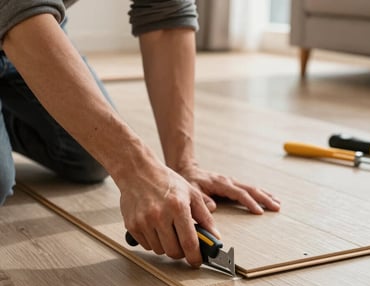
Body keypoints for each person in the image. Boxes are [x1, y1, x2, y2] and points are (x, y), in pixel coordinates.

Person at [0, 0, 280, 267]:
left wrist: (184, 165)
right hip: (22, 16)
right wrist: (136, 167)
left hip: (33, 22)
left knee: (91, 157)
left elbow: (166, 12)